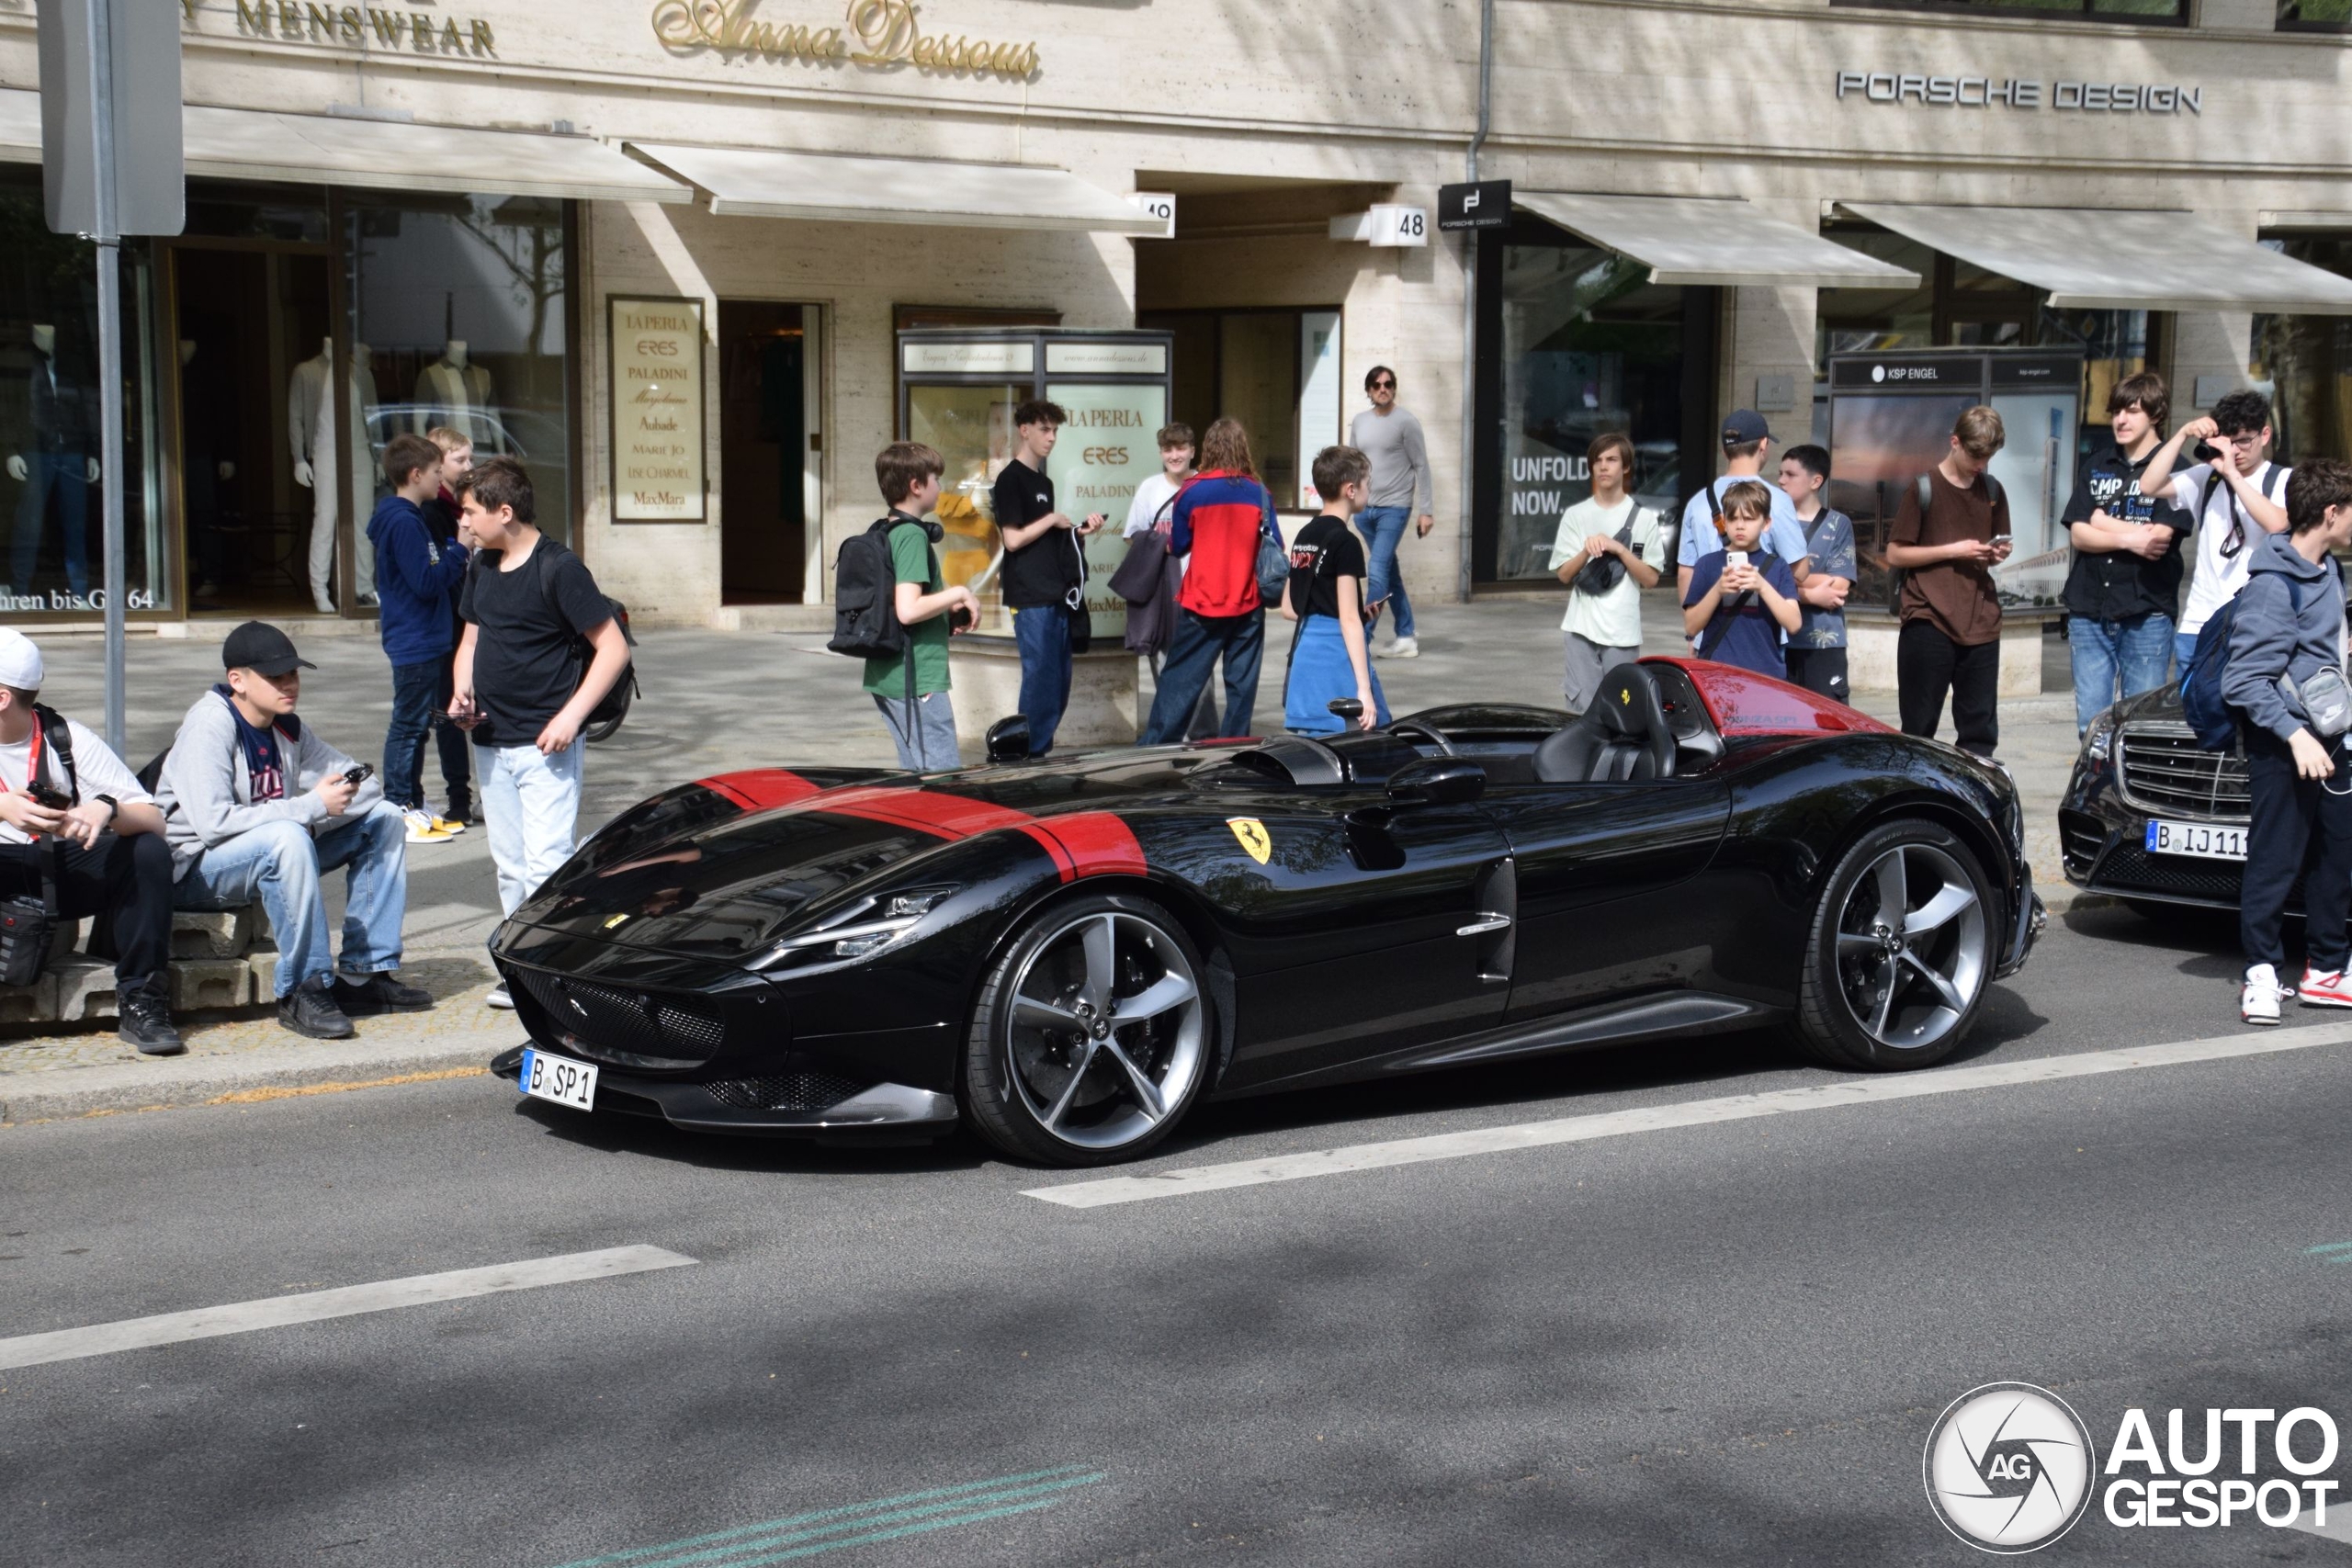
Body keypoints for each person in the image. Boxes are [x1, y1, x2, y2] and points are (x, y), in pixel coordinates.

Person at [156, 622, 427, 1041]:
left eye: (293, 674)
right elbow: (213, 824)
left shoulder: (287, 727)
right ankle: (304, 988)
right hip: (195, 870)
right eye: (275, 676)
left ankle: (363, 977)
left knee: (386, 818)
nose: (289, 684)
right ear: (237, 680)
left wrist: (314, 814)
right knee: (288, 835)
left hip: (267, 852)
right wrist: (308, 809)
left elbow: (368, 788)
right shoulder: (209, 725)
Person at [449, 457, 630, 1010]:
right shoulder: (482, 566)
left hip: (544, 742)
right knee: (509, 863)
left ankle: (555, 973)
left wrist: (571, 717)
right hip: (490, 738)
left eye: (471, 511)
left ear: (505, 512)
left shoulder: (559, 567)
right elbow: (471, 642)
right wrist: (462, 693)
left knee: (546, 861)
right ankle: (520, 968)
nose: (463, 522)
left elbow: (613, 649)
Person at [0, 629, 180, 1054]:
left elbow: (155, 820)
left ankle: (142, 999)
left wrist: (106, 810)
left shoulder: (65, 737)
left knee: (147, 851)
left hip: (53, 870)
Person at [2222, 458, 2352, 1026]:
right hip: (2287, 746)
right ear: (2331, 513)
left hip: (2333, 739)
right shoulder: (2274, 586)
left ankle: (2326, 970)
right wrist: (2296, 736)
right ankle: (2261, 975)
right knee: (2275, 862)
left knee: (2335, 857)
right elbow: (2243, 679)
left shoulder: (2331, 570)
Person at [2060, 372, 2187, 736]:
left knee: (2140, 724)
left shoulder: (2178, 468)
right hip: (2089, 607)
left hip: (2146, 610)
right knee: (2091, 726)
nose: (2121, 420)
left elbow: (2159, 539)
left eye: (2132, 411)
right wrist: (2130, 538)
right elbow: (2080, 535)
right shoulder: (2097, 463)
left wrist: (2103, 521)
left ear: (2156, 415)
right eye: (2117, 411)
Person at [1888, 405, 2013, 761]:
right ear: (1955, 442)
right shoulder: (1923, 488)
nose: (1982, 464)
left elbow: (1998, 541)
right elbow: (1896, 554)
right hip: (1928, 617)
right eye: (1976, 455)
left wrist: (1998, 552)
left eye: (1988, 457)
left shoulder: (1991, 489)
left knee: (1980, 731)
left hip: (1981, 619)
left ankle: (1975, 797)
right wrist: (1953, 551)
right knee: (1918, 726)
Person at [1140, 418, 1272, 744]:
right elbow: (1274, 545)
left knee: (1180, 682)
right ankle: (1232, 752)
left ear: (1207, 449)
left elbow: (1180, 544)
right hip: (1248, 603)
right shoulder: (1260, 492)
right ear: (1243, 448)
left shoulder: (1192, 491)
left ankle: (1155, 748)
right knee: (1241, 688)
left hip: (1202, 603)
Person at [2140, 388, 2293, 670]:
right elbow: (2148, 485)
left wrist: (2232, 474)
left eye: (2245, 441)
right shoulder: (2205, 478)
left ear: (2265, 435)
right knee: (2193, 712)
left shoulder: (2284, 479)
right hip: (2199, 622)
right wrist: (2183, 434)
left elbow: (2278, 523)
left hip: (2255, 625)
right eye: (2229, 442)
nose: (2235, 451)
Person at [368, 433, 467, 845]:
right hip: (416, 639)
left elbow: (423, 568)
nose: (439, 480)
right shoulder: (406, 520)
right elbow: (426, 581)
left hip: (422, 637)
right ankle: (398, 808)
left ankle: (411, 804)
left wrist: (444, 550)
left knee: (416, 727)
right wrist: (458, 551)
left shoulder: (408, 518)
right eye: (435, 473)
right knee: (407, 727)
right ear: (415, 474)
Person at [993, 400, 1103, 756]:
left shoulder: (1044, 481)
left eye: (1055, 430)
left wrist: (1078, 531)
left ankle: (1039, 752)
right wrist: (1053, 519)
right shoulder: (1010, 479)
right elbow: (1012, 540)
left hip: (1055, 594)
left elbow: (1045, 541)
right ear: (1024, 430)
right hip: (1029, 597)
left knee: (1058, 683)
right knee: (1040, 680)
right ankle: (1026, 755)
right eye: (1044, 429)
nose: (1051, 437)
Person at [865, 442, 978, 771]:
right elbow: (908, 609)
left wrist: (943, 614)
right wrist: (959, 593)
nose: (940, 487)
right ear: (916, 486)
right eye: (936, 479)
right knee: (942, 779)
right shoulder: (912, 536)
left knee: (916, 780)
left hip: (891, 673)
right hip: (917, 677)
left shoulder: (888, 530)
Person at [1545, 433, 1663, 714]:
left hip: (1622, 632)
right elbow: (1563, 575)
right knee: (1581, 712)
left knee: (1622, 712)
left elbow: (1650, 579)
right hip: (1580, 629)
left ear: (1625, 467)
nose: (1603, 466)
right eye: (1597, 460)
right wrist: (1586, 551)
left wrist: (1620, 550)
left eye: (1611, 460)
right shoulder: (1576, 515)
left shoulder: (1643, 518)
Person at [1281, 445, 1387, 735]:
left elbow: (1290, 608)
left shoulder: (1304, 534)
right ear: (1350, 489)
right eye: (1367, 483)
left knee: (1313, 757)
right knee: (1361, 745)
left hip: (1306, 657)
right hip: (1335, 657)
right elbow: (1348, 620)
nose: (1369, 490)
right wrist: (1364, 690)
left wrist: (1345, 611)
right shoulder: (1346, 542)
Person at [1122, 423, 1216, 739]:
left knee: (1201, 671)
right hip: (1162, 592)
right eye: (1168, 449)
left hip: (1201, 590)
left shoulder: (1206, 486)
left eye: (1180, 448)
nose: (1174, 455)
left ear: (1193, 450)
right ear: (1161, 453)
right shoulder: (1150, 488)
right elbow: (1132, 535)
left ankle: (1202, 739)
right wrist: (1159, 543)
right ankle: (1171, 740)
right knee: (1164, 668)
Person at [1676, 410, 1811, 603]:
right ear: (1763, 444)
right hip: (1761, 626)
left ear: (1724, 450)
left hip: (1710, 628)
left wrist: (1693, 631)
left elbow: (1685, 572)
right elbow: (1799, 570)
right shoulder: (1777, 500)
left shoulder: (1697, 502)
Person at [1346, 366, 1434, 659]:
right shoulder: (1359, 422)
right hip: (1365, 511)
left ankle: (1363, 636)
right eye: (1376, 385)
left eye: (1388, 384)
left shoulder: (1406, 422)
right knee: (1389, 573)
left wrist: (1426, 511)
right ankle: (1406, 636)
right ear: (1369, 390)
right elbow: (1353, 465)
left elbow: (1421, 465)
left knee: (1377, 570)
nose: (1382, 389)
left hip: (1394, 509)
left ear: (1394, 388)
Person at [1682, 480, 1802, 678]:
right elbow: (1691, 626)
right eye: (1733, 518)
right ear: (1724, 522)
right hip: (1717, 672)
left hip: (1766, 674)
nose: (1740, 525)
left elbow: (1794, 624)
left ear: (1766, 523)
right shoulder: (1707, 564)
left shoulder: (1778, 566)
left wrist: (1762, 586)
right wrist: (1718, 590)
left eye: (1749, 518)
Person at [421, 425, 476, 827]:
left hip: (477, 620)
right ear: (439, 466)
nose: (469, 466)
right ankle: (458, 795)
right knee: (448, 711)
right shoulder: (433, 512)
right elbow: (440, 569)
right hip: (448, 625)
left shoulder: (468, 504)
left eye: (471, 458)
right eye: (461, 460)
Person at [1776, 444, 1857, 702]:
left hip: (1824, 645)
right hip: (1777, 642)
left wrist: (1785, 582)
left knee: (1828, 723)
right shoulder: (1769, 522)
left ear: (1815, 481)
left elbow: (1839, 586)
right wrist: (1812, 595)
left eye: (1790, 474)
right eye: (1781, 473)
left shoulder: (1838, 524)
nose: (1781, 481)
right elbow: (1763, 580)